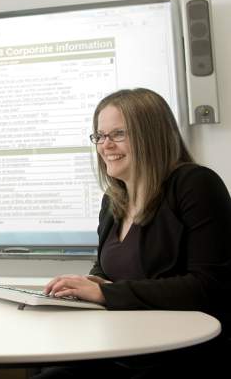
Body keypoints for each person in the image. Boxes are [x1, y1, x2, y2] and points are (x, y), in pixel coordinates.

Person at [36, 88, 231, 377]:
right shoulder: (113, 200)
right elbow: (105, 269)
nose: (105, 145)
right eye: (100, 135)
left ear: (151, 135)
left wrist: (105, 292)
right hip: (120, 346)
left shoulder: (195, 184)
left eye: (118, 134)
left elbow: (209, 286)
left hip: (179, 354)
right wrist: (86, 284)